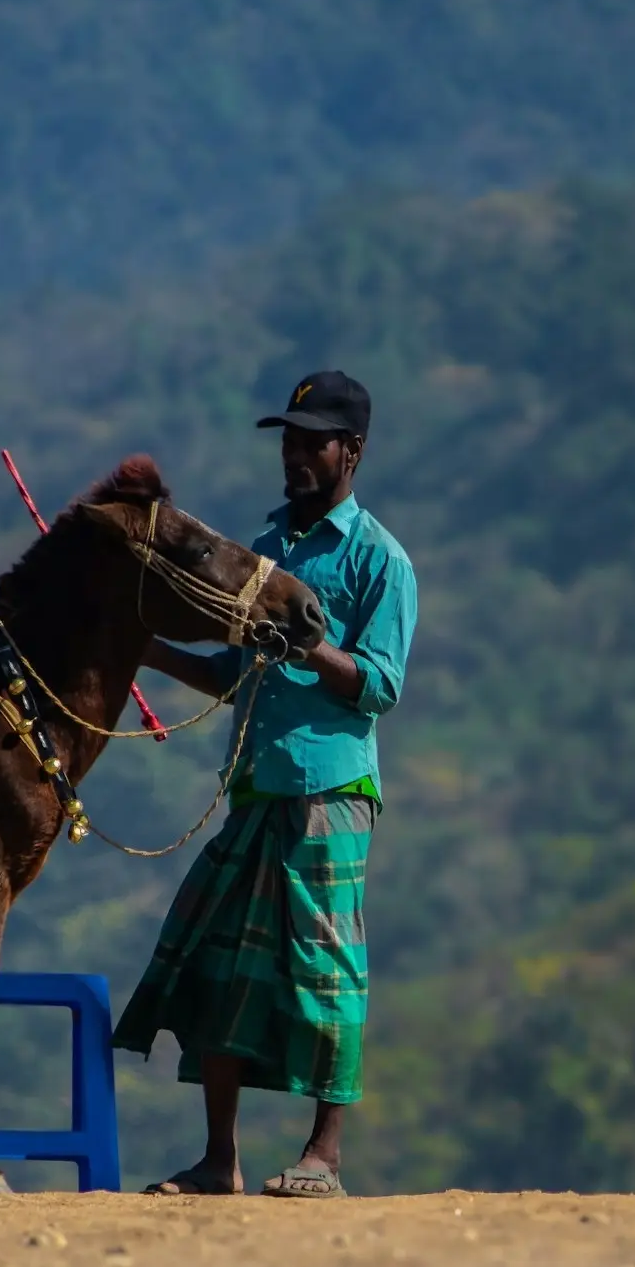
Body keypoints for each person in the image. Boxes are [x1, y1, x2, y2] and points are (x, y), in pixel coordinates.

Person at [112, 370, 417, 1198]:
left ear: (351, 451)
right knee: (220, 962)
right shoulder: (265, 549)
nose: (293, 454)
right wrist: (147, 649)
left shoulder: (379, 560)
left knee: (325, 967)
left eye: (311, 440)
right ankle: (221, 1159)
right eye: (287, 438)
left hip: (329, 789)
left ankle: (323, 1156)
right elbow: (232, 674)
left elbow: (380, 685)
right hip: (254, 784)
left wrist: (311, 648)